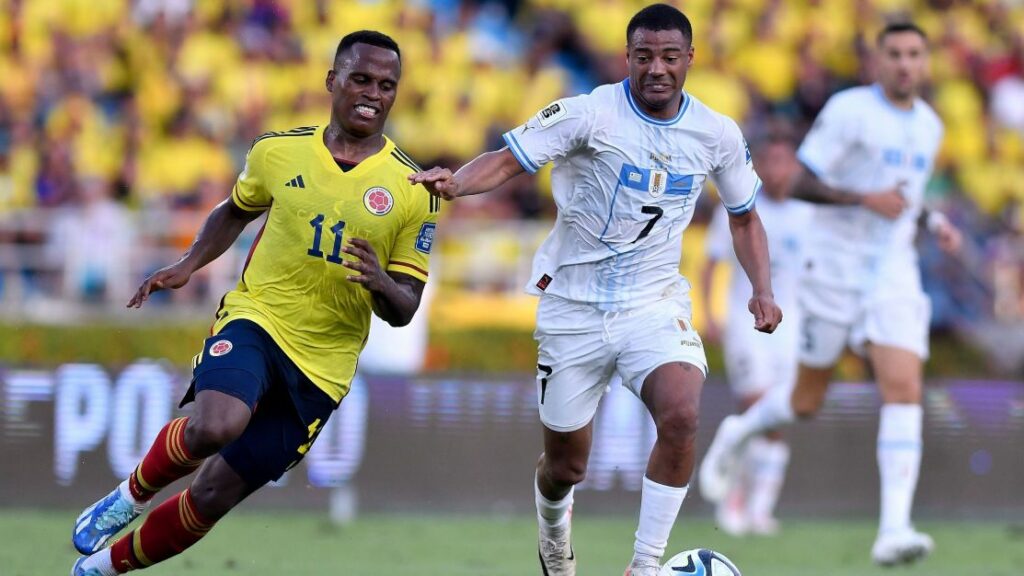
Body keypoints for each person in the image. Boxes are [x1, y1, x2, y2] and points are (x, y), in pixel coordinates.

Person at [411, 5, 782, 575]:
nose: (656, 68)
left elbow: (744, 215)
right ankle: (553, 533)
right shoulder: (588, 113)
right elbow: (510, 159)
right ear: (626, 57)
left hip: (652, 304)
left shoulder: (716, 133)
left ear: (690, 59)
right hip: (573, 309)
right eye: (644, 56)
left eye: (669, 56)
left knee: (682, 414)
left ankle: (644, 565)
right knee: (565, 468)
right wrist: (458, 183)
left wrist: (761, 288)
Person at [71, 30, 439, 576]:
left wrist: (381, 281)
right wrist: (188, 263)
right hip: (258, 317)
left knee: (214, 494)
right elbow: (235, 210)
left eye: (386, 85)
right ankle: (129, 495)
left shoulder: (414, 188)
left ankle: (103, 569)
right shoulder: (277, 151)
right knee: (216, 425)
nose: (373, 94)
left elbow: (405, 307)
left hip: (323, 366)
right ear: (332, 80)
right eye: (361, 79)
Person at [699, 22, 962, 566]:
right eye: (895, 54)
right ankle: (741, 430)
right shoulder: (849, 111)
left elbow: (904, 200)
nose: (906, 64)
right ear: (877, 60)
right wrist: (862, 199)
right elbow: (799, 182)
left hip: (892, 270)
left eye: (915, 54)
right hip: (833, 267)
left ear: (927, 62)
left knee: (903, 386)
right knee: (805, 401)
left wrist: (933, 221)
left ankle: (893, 528)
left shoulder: (931, 126)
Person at [699, 135, 811, 536]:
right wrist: (709, 312)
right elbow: (710, 263)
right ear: (761, 165)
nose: (780, 170)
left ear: (795, 166)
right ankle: (733, 501)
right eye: (773, 160)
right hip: (745, 322)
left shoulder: (808, 213)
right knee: (754, 405)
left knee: (779, 415)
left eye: (787, 161)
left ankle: (760, 510)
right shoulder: (740, 204)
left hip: (793, 328)